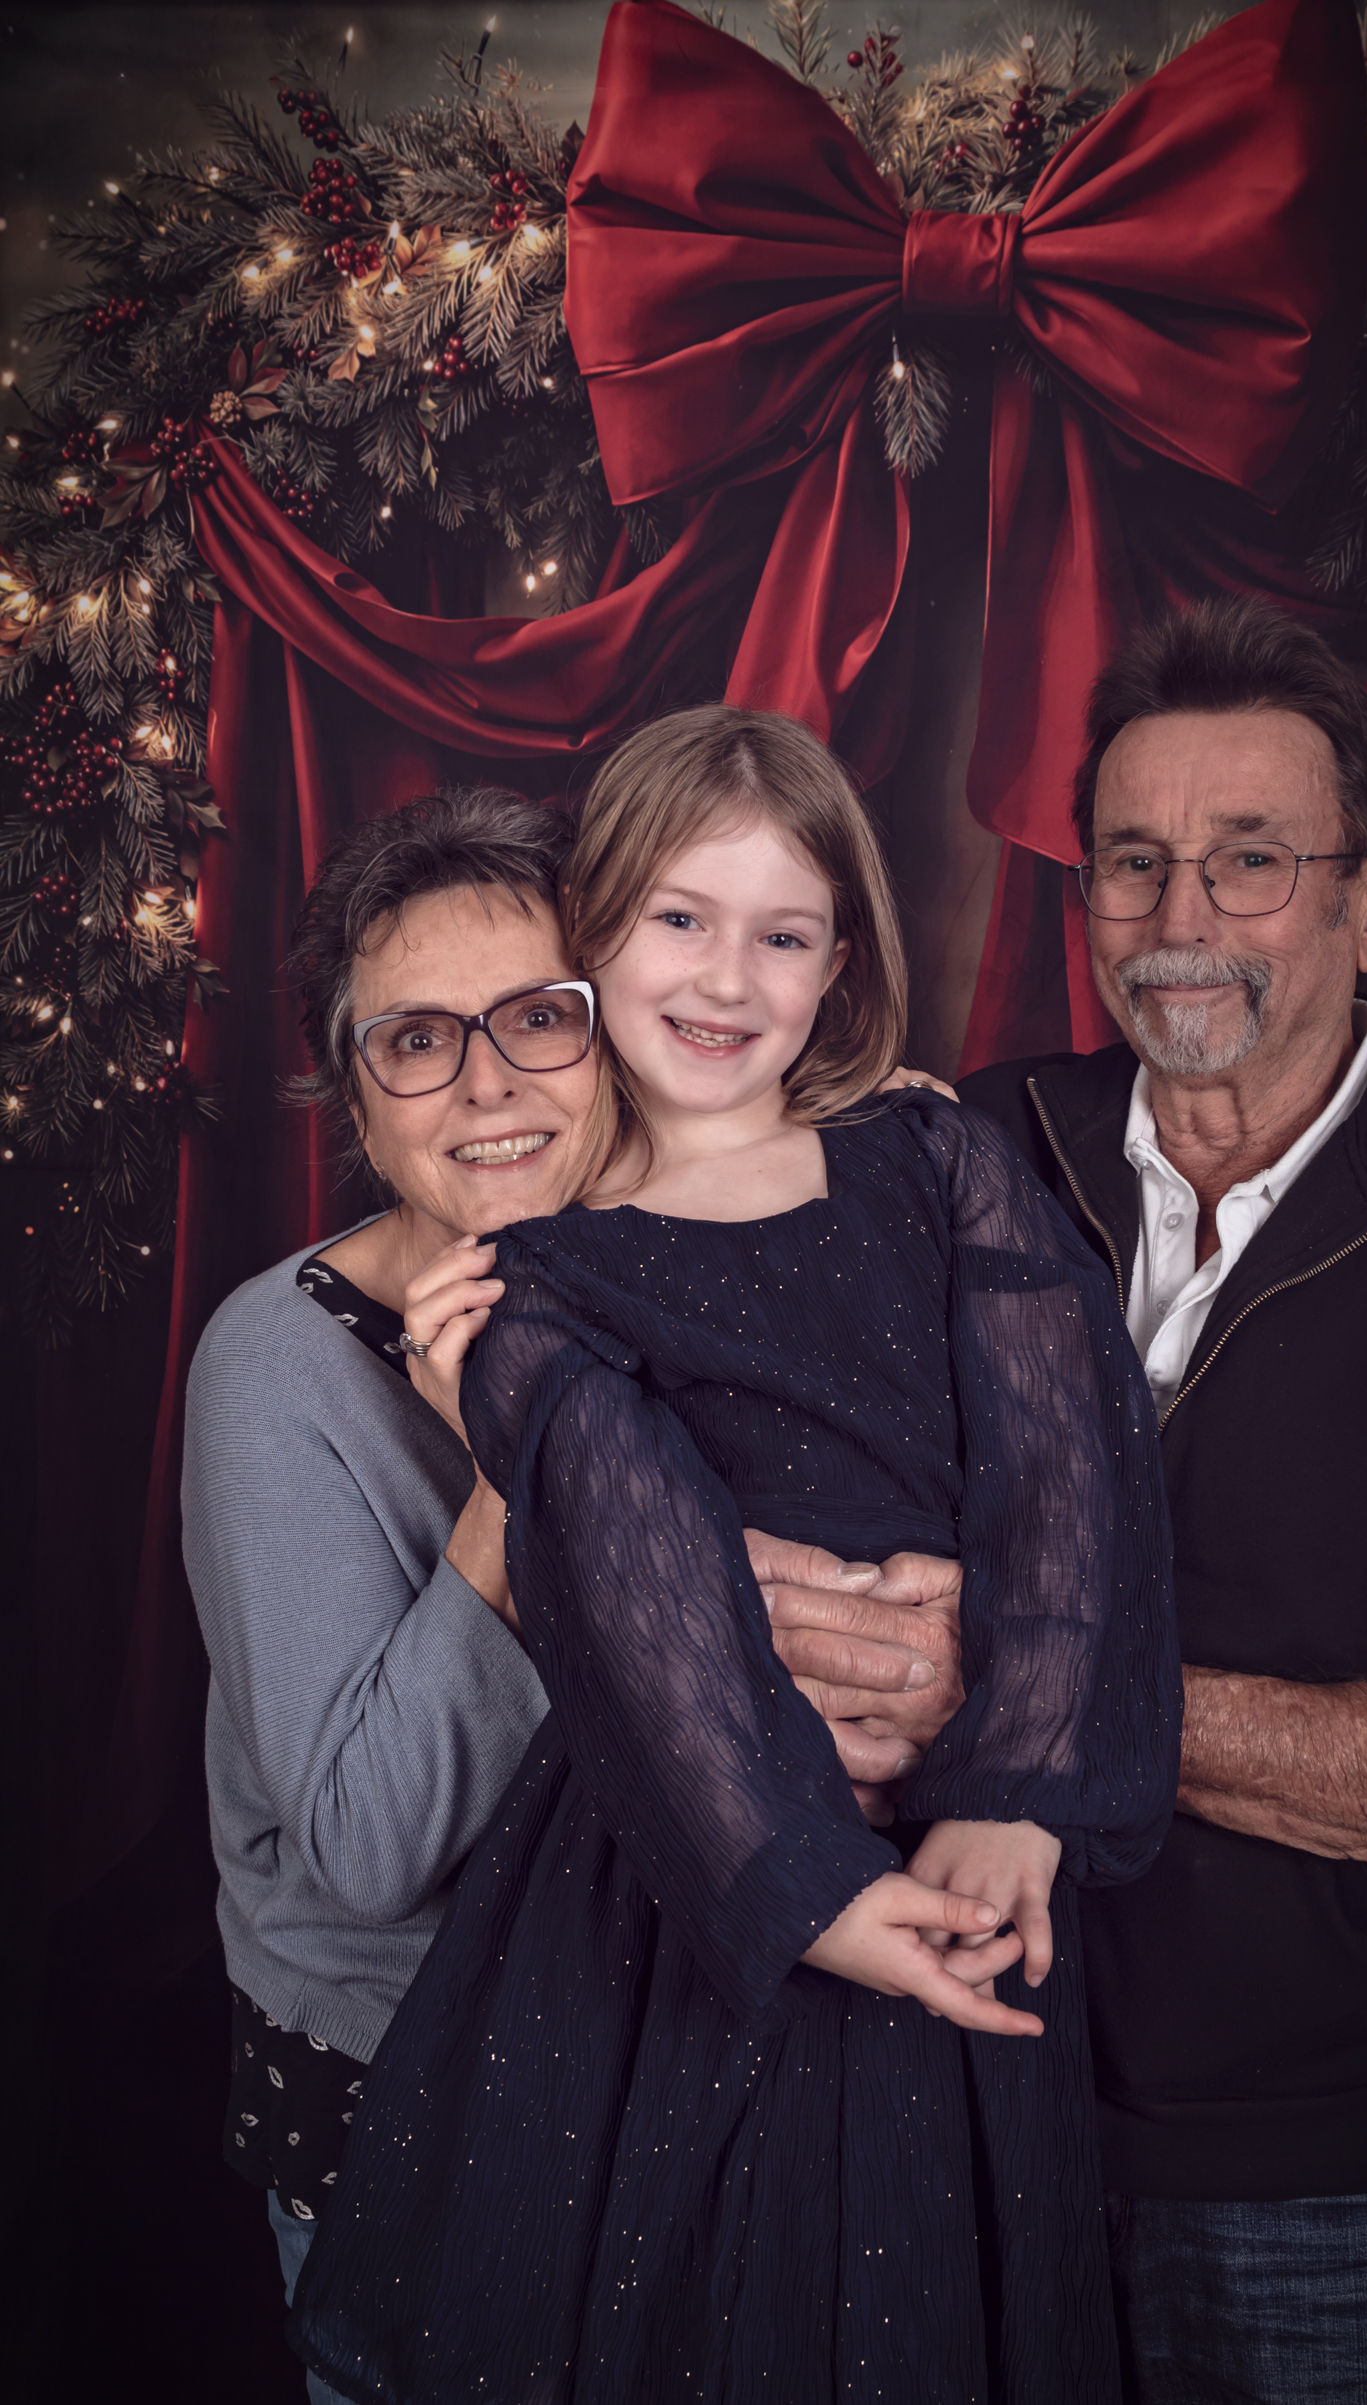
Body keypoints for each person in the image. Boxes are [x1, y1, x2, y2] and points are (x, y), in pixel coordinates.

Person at [288, 706, 1182, 2405]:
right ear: (593, 939)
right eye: (680, 919)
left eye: (783, 935)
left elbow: (1068, 1452)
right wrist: (809, 1888)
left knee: (928, 2299)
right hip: (682, 1869)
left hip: (968, 1839)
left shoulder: (933, 1158)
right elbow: (629, 1551)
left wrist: (1019, 1786)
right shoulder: (536, 1266)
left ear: (841, 966)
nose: (725, 976)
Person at [181, 785, 964, 2401]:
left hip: (698, 2098)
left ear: (620, 1029)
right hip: (415, 2125)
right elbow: (371, 1845)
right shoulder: (277, 1367)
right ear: (356, 1095)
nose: (488, 1084)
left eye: (539, 1016)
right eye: (416, 1041)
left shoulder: (701, 1266)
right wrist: (517, 1477)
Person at [946, 598, 1367, 2402]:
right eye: (1134, 863)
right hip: (970, 2121)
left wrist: (1026, 1695)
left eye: (1252, 862)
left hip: (1344, 2191)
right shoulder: (972, 1151)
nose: (1182, 921)